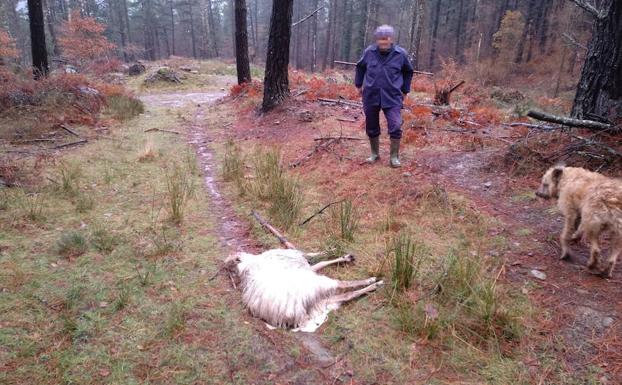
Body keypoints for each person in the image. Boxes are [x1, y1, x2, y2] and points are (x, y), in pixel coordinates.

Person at [355, 25, 414, 168]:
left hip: (393, 96)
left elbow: (408, 71)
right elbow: (360, 66)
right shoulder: (369, 52)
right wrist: (358, 85)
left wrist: (405, 90)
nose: (383, 42)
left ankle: (394, 157)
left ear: (391, 39)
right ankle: (374, 153)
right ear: (377, 39)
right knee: (372, 125)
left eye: (386, 39)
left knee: (395, 125)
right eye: (380, 39)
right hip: (371, 95)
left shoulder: (400, 54)